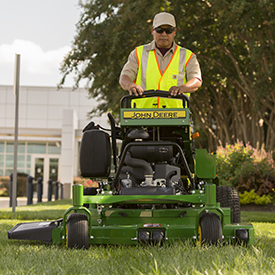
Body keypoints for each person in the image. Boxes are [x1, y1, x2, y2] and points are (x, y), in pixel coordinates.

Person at [119, 12, 202, 108]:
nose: (164, 34)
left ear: (174, 32)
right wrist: (130, 85)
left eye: (168, 31)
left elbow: (196, 81)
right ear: (152, 31)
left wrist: (182, 88)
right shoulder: (138, 53)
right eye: (159, 30)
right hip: (142, 117)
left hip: (176, 118)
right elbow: (124, 77)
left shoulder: (187, 56)